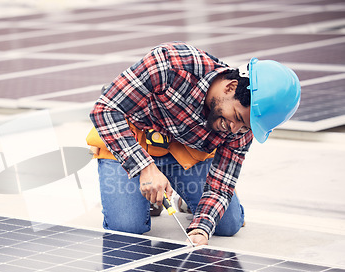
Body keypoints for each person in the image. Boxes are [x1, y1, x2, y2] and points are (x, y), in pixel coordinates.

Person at [87, 41, 301, 246]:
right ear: (231, 87)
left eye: (245, 126)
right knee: (127, 227)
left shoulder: (243, 126)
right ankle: (149, 197)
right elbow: (104, 110)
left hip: (183, 152)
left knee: (227, 225)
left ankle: (183, 200)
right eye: (236, 117)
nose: (235, 129)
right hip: (132, 141)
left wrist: (201, 229)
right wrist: (145, 167)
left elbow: (221, 184)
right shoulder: (169, 64)